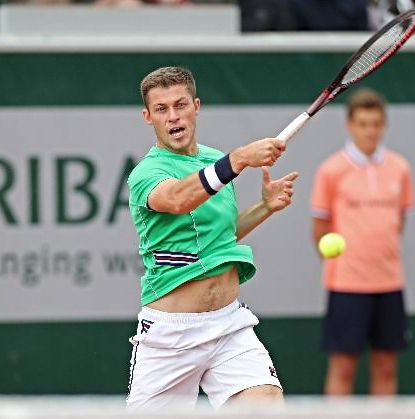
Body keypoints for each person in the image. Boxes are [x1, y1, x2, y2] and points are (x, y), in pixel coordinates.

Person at [126, 66, 298, 410]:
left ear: (196, 106)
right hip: (170, 337)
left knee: (266, 407)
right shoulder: (146, 173)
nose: (173, 116)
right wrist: (237, 159)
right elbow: (178, 199)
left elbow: (223, 236)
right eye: (162, 109)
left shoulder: (212, 161)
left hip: (229, 325)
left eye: (180, 105)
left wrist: (264, 208)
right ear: (148, 117)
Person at [310, 89, 415, 396]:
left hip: (389, 283)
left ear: (383, 125)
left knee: (386, 366)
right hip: (346, 286)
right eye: (363, 123)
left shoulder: (400, 168)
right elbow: (319, 227)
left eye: (375, 123)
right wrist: (345, 266)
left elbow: (399, 222)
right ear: (350, 125)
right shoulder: (331, 170)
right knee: (343, 366)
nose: (370, 130)